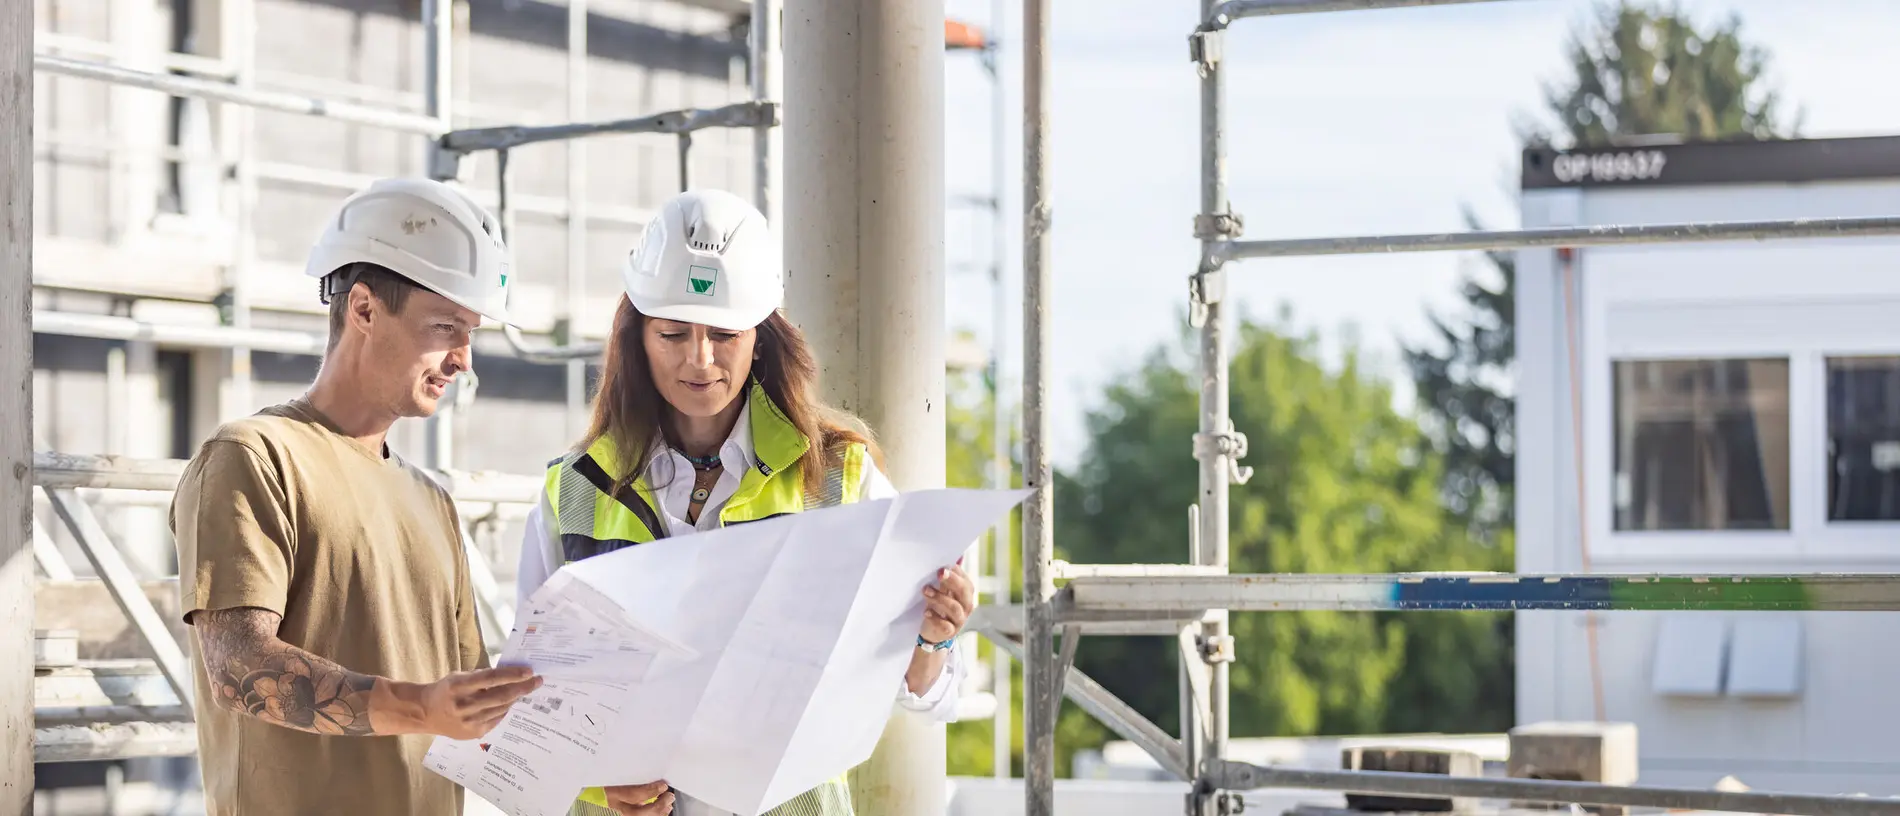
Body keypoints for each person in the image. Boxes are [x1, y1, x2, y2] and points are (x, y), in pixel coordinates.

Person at [516, 189, 977, 816]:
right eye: (673, 334)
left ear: (760, 338)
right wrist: (602, 786)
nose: (699, 360)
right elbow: (529, 704)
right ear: (637, 339)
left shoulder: (838, 478)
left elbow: (931, 696)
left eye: (724, 335)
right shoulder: (574, 490)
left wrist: (933, 639)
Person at [170, 177, 544, 816]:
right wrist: (419, 706)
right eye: (445, 327)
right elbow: (237, 668)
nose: (464, 360)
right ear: (364, 310)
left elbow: (474, 716)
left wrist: (598, 783)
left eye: (471, 333)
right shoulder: (255, 457)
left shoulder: (433, 503)